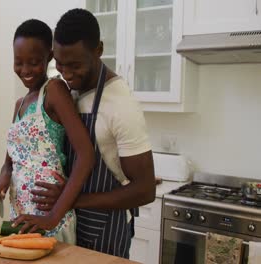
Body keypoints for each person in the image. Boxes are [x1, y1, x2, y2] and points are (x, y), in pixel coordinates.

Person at [14, 9, 156, 258]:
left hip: (104, 229)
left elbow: (145, 190)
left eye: (75, 65)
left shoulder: (120, 105)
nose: (66, 73)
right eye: (60, 63)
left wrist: (69, 201)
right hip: (65, 222)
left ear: (98, 50)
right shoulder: (67, 90)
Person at [0, 19, 95, 244]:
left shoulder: (55, 91)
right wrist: (4, 175)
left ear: (49, 57)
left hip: (51, 218)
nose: (25, 70)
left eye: (34, 62)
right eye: (19, 62)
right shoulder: (19, 104)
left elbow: (86, 154)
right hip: (21, 215)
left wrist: (53, 216)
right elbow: (10, 160)